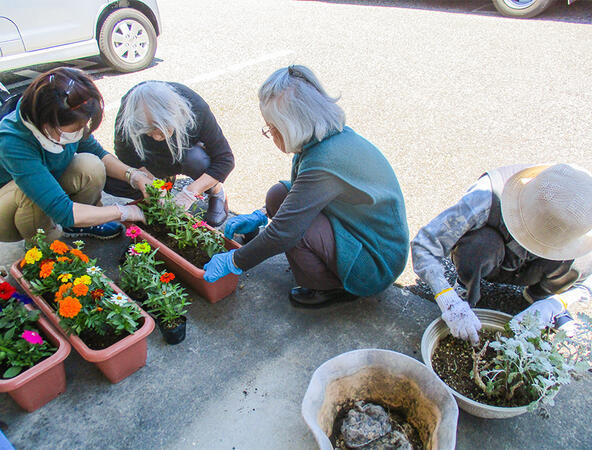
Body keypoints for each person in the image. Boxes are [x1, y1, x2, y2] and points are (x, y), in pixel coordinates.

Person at [202, 65, 409, 307]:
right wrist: (262, 214)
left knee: (295, 233)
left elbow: (284, 232)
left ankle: (334, 288)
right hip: (365, 232)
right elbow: (304, 192)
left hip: (376, 261)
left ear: (292, 125)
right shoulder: (327, 138)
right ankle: (334, 269)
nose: (270, 133)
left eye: (272, 127)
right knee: (278, 196)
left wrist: (234, 261)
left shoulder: (325, 160)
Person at [411, 163, 592, 345]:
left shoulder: (582, 215)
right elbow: (424, 245)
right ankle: (466, 288)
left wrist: (558, 302)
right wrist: (446, 297)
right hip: (495, 258)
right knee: (477, 247)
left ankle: (541, 297)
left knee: (580, 263)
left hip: (538, 269)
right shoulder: (487, 196)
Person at [0, 67, 148, 242]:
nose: (81, 133)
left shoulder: (63, 115)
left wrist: (134, 176)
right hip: (7, 214)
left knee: (90, 165)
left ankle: (82, 224)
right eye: (76, 129)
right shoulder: (12, 140)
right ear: (47, 123)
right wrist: (123, 211)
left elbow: (98, 153)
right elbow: (61, 209)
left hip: (48, 190)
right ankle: (46, 246)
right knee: (29, 194)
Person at [104, 81, 235, 227]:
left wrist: (191, 191)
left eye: (162, 130)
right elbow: (126, 155)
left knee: (197, 160)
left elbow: (225, 159)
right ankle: (165, 182)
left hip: (185, 155)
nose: (157, 137)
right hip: (152, 160)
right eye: (150, 132)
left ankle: (216, 191)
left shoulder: (195, 107)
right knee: (111, 180)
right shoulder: (128, 116)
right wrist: (149, 180)